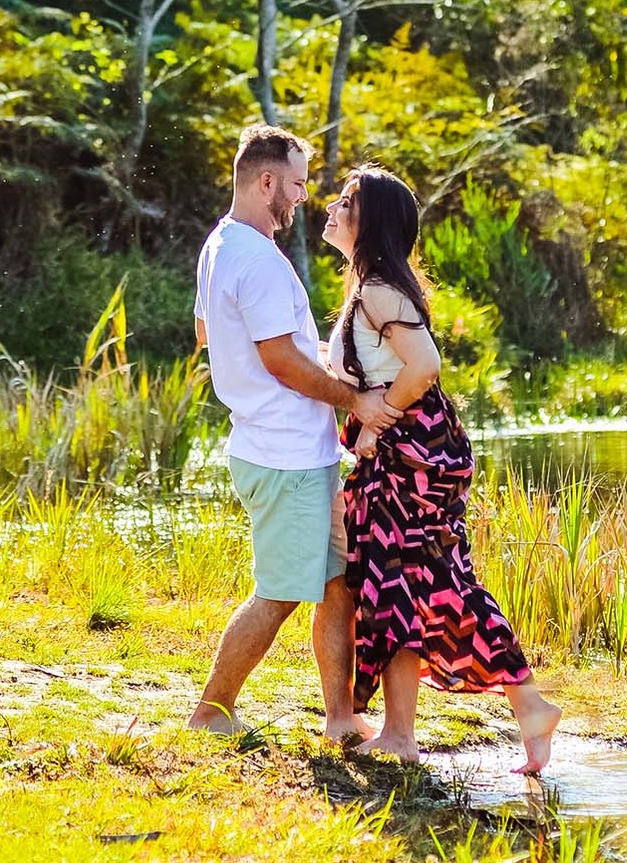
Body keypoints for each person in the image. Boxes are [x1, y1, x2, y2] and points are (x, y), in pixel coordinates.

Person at [322, 163, 562, 775]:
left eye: (346, 200)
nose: (333, 206)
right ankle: (528, 706)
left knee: (398, 583)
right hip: (408, 453)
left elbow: (423, 364)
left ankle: (401, 734)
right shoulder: (372, 289)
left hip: (408, 456)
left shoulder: (378, 290)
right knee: (433, 583)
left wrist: (377, 419)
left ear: (367, 221)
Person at [189, 124, 403, 741]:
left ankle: (340, 718)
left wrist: (307, 361)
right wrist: (354, 397)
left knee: (336, 583)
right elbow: (279, 359)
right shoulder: (253, 258)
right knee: (281, 593)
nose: (304, 197)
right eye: (298, 185)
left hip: (290, 447)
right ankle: (211, 711)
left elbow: (207, 331)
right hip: (282, 455)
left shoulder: (222, 244)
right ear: (266, 182)